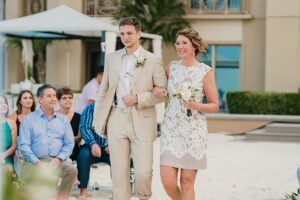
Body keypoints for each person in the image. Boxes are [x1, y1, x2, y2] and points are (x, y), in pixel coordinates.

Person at [92, 17, 167, 200]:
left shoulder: (152, 60)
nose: (125, 37)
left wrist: (138, 99)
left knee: (143, 173)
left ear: (139, 34)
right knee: (118, 174)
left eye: (129, 33)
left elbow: (163, 93)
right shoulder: (112, 58)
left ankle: (144, 196)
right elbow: (103, 92)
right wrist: (98, 121)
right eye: (122, 33)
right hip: (116, 119)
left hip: (142, 120)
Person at [153, 28, 219, 200]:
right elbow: (157, 85)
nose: (180, 46)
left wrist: (195, 105)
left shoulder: (205, 71)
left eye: (184, 43)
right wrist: (157, 89)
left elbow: (214, 106)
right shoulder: (172, 68)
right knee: (167, 181)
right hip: (170, 130)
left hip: (193, 132)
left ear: (194, 46)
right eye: (178, 43)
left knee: (187, 181)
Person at [18, 84, 77, 200]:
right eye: (49, 96)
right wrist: (37, 163)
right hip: (33, 161)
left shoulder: (63, 120)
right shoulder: (29, 120)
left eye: (54, 96)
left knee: (72, 170)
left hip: (56, 161)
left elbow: (69, 143)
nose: (53, 99)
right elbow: (23, 145)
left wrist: (58, 159)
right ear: (40, 100)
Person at [77, 102, 110, 198]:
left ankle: (119, 190)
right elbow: (85, 127)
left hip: (112, 145)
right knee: (83, 156)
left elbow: (121, 128)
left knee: (120, 159)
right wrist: (93, 143)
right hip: (91, 144)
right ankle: (83, 190)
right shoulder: (90, 108)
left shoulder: (117, 108)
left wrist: (113, 144)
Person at [57, 87, 81, 161]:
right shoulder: (53, 116)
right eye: (64, 98)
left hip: (74, 151)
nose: (68, 100)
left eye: (70, 98)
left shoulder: (79, 116)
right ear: (58, 100)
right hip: (56, 151)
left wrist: (65, 139)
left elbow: (79, 138)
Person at [0, 95, 17, 176]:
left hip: (5, 158)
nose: (3, 105)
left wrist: (3, 155)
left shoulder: (11, 123)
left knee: (7, 171)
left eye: (5, 103)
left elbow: (14, 147)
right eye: (0, 103)